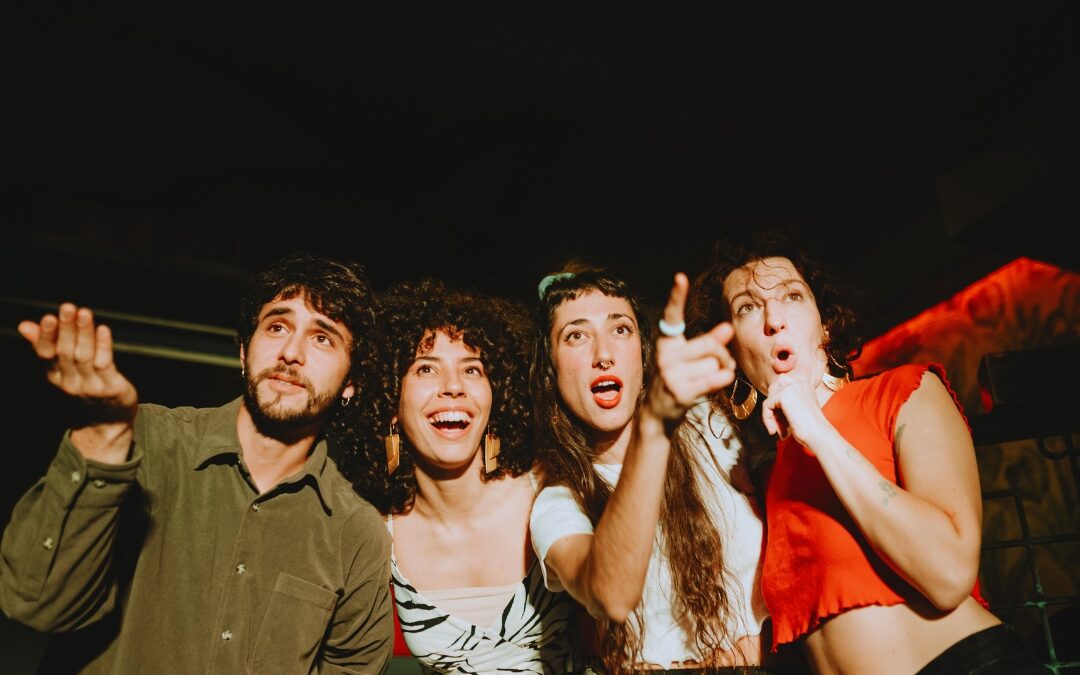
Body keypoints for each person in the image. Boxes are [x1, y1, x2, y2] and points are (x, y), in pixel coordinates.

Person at [0, 253, 394, 673]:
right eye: (277, 326)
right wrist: (103, 437)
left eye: (323, 338)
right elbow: (35, 604)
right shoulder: (143, 441)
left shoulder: (355, 533)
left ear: (351, 382)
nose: (291, 352)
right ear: (244, 352)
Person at [684, 235, 1049, 674]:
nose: (773, 319)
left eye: (792, 296)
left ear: (826, 326)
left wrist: (818, 431)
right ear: (734, 354)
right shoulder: (764, 476)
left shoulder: (903, 392)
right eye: (746, 307)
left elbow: (949, 574)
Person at [337, 279, 590, 673]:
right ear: (391, 402)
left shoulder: (548, 488)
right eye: (426, 368)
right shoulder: (375, 533)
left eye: (472, 369)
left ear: (496, 395)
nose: (453, 386)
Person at [528, 264, 768, 673]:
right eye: (576, 336)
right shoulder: (557, 504)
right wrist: (653, 426)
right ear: (551, 373)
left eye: (620, 329)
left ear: (643, 353)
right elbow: (610, 595)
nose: (603, 354)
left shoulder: (709, 427)